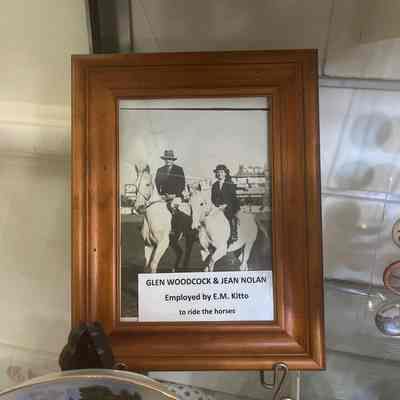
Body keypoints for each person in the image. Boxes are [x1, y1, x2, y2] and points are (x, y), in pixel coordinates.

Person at [155, 150, 186, 236]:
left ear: (173, 160)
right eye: (166, 159)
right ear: (164, 160)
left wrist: (174, 195)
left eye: (170, 159)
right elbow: (157, 183)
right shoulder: (160, 170)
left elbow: (182, 183)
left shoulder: (179, 169)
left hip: (175, 196)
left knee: (175, 210)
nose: (168, 160)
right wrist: (161, 194)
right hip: (163, 196)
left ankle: (175, 229)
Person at [211, 164, 240, 244]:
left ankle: (233, 234)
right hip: (218, 207)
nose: (219, 174)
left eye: (221, 172)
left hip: (230, 206)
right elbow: (213, 198)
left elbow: (233, 197)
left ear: (225, 173)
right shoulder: (214, 185)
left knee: (230, 216)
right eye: (218, 172)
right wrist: (218, 205)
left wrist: (225, 205)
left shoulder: (230, 183)